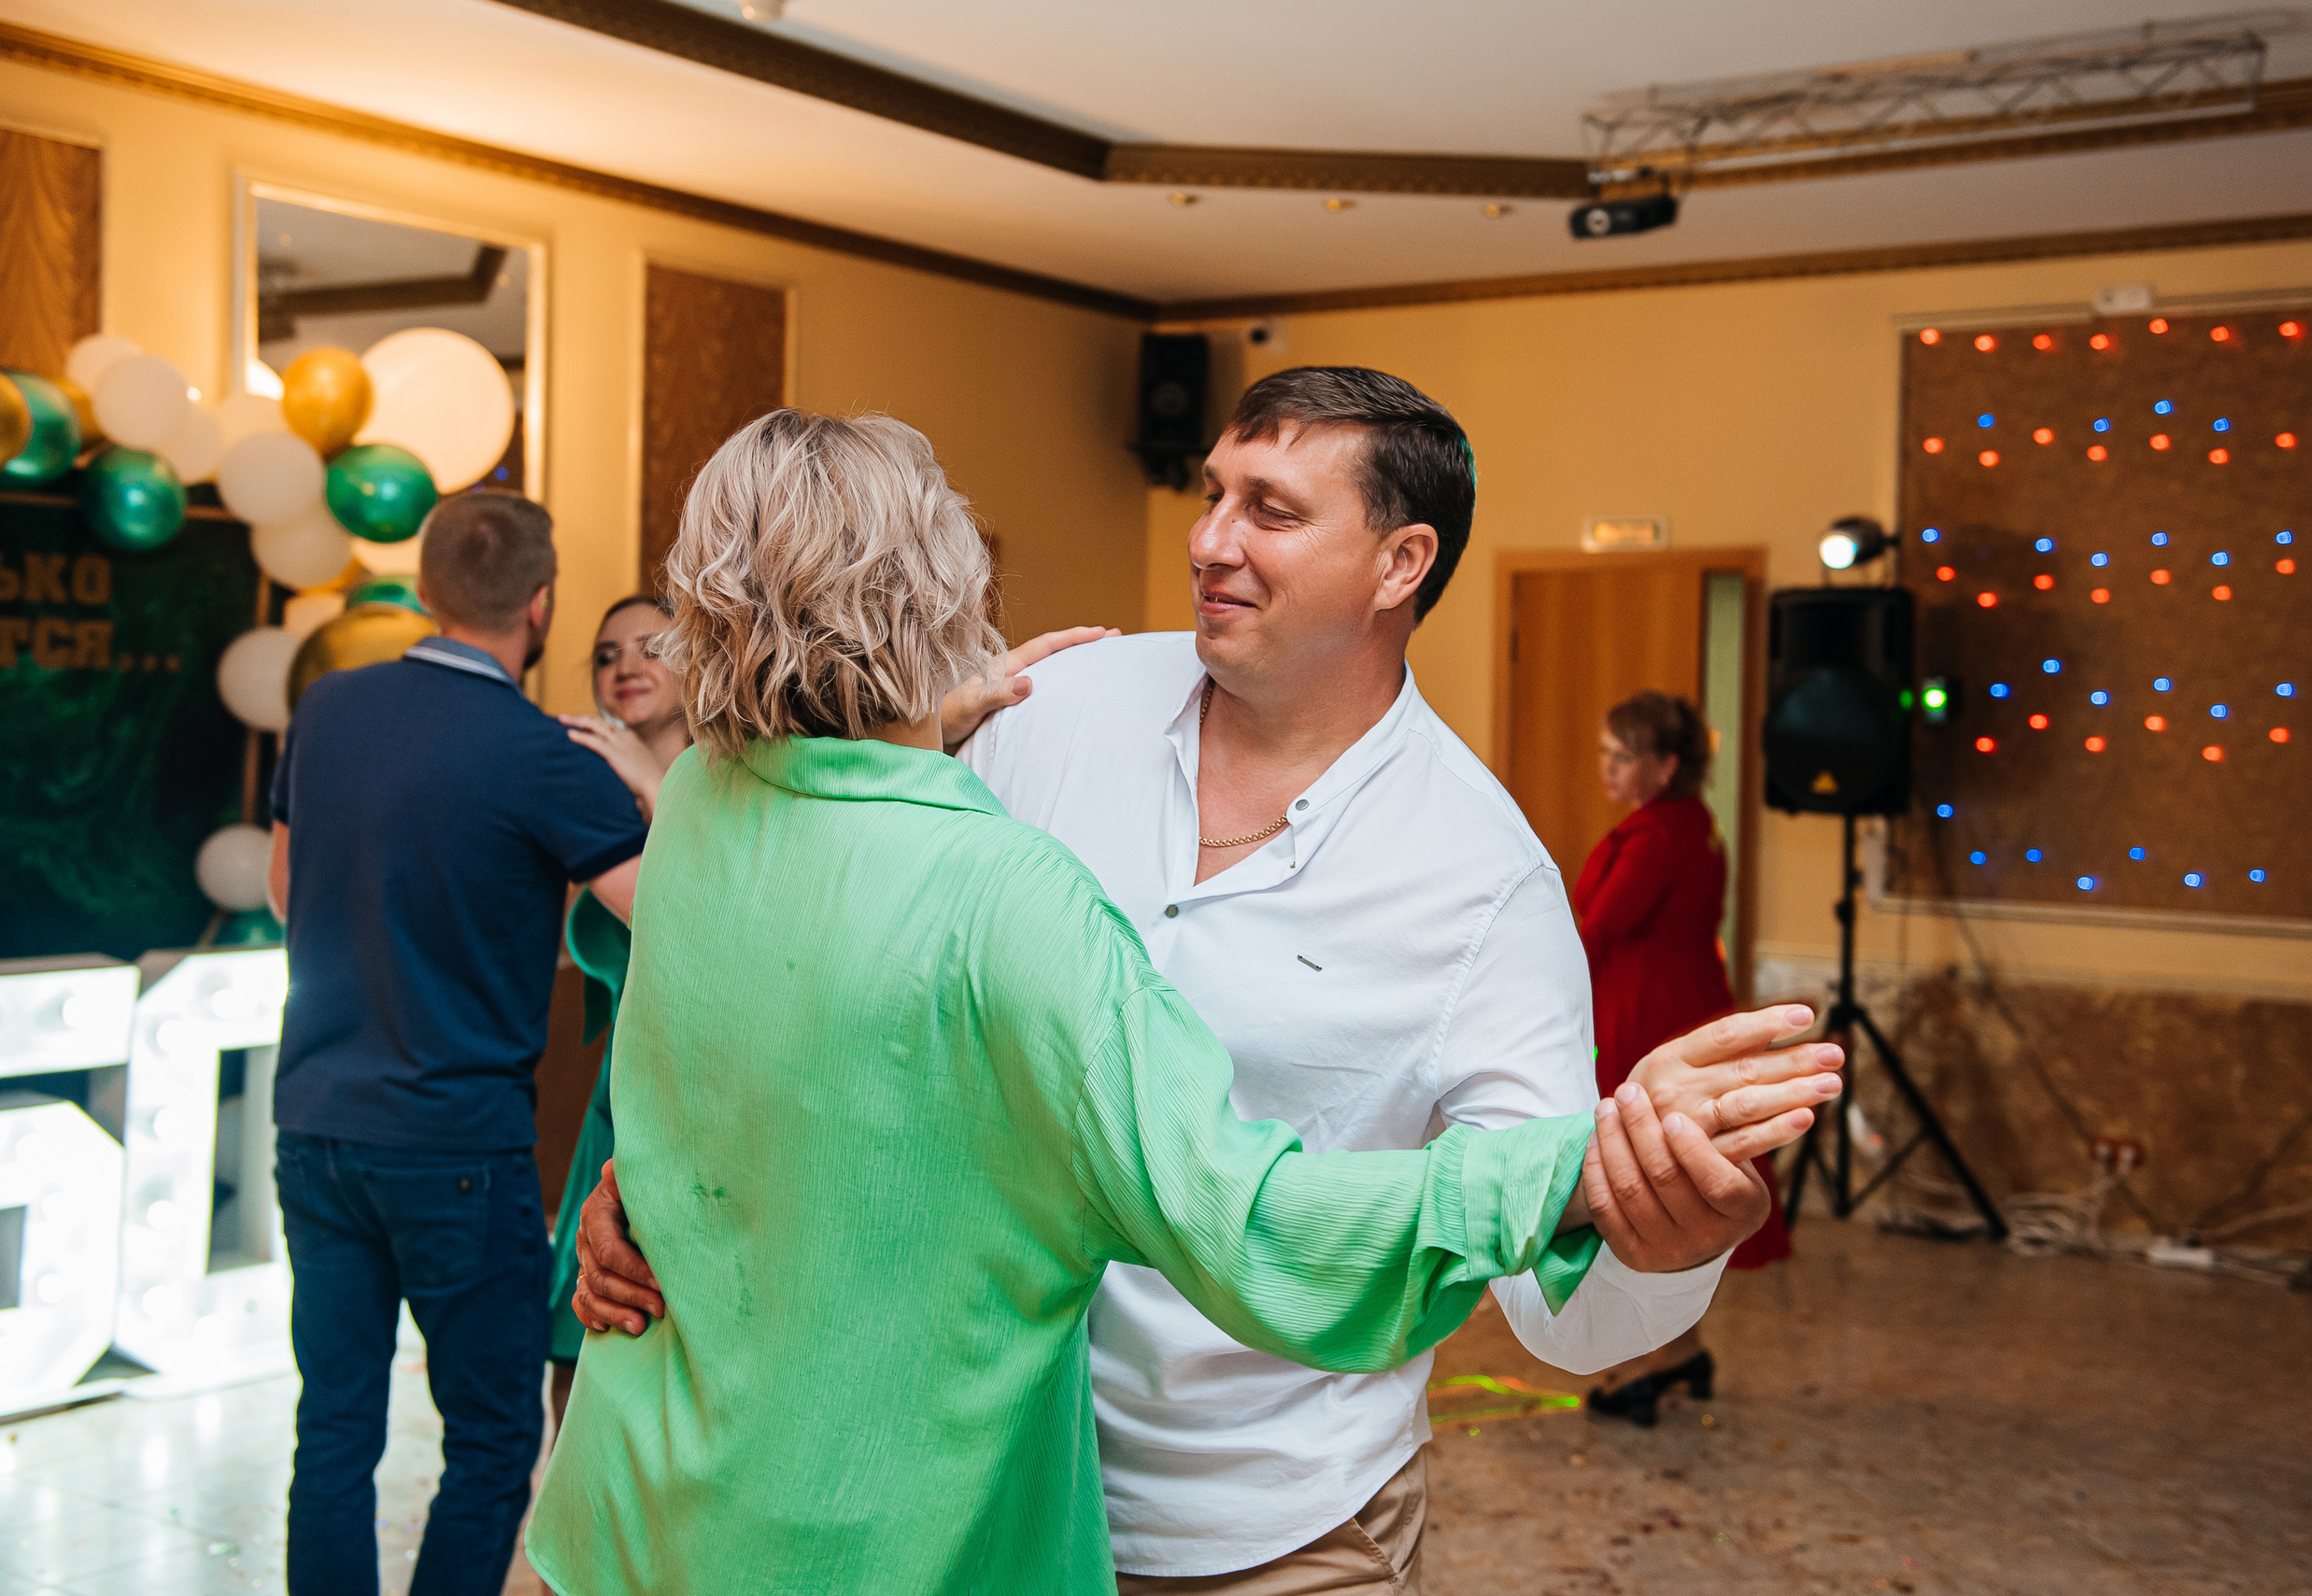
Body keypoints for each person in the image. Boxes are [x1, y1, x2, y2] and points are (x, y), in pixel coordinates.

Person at [542, 403, 1840, 1596]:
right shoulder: (1038, 711)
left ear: (1401, 565)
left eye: (1269, 508)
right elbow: (817, 987)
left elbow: (1560, 1308)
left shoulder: (1485, 884)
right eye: (1213, 494)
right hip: (957, 1497)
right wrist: (656, 1191)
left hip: (1257, 1528)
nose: (1209, 539)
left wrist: (1643, 1225)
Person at [262, 492, 648, 1596]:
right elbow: (668, 915)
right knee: (486, 1436)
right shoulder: (543, 754)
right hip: (454, 1142)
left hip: (317, 1122)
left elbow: (290, 890)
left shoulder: (328, 707)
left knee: (333, 1425)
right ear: (541, 602)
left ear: (425, 590)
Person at [1577, 690, 1792, 1427]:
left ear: (1664, 766)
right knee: (1674, 1182)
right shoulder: (1695, 827)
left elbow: (1598, 928)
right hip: (1685, 1001)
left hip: (1648, 1017)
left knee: (1643, 1184)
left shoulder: (1655, 837)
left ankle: (1654, 1356)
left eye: (1621, 755)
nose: (1606, 766)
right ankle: (1680, 1349)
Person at [543, 594, 691, 1427]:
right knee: (575, 1362)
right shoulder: (586, 794)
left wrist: (653, 780)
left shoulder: (739, 778)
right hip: (612, 1097)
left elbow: (730, 899)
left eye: (650, 646)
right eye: (606, 654)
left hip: (698, 1085)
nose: (625, 666)